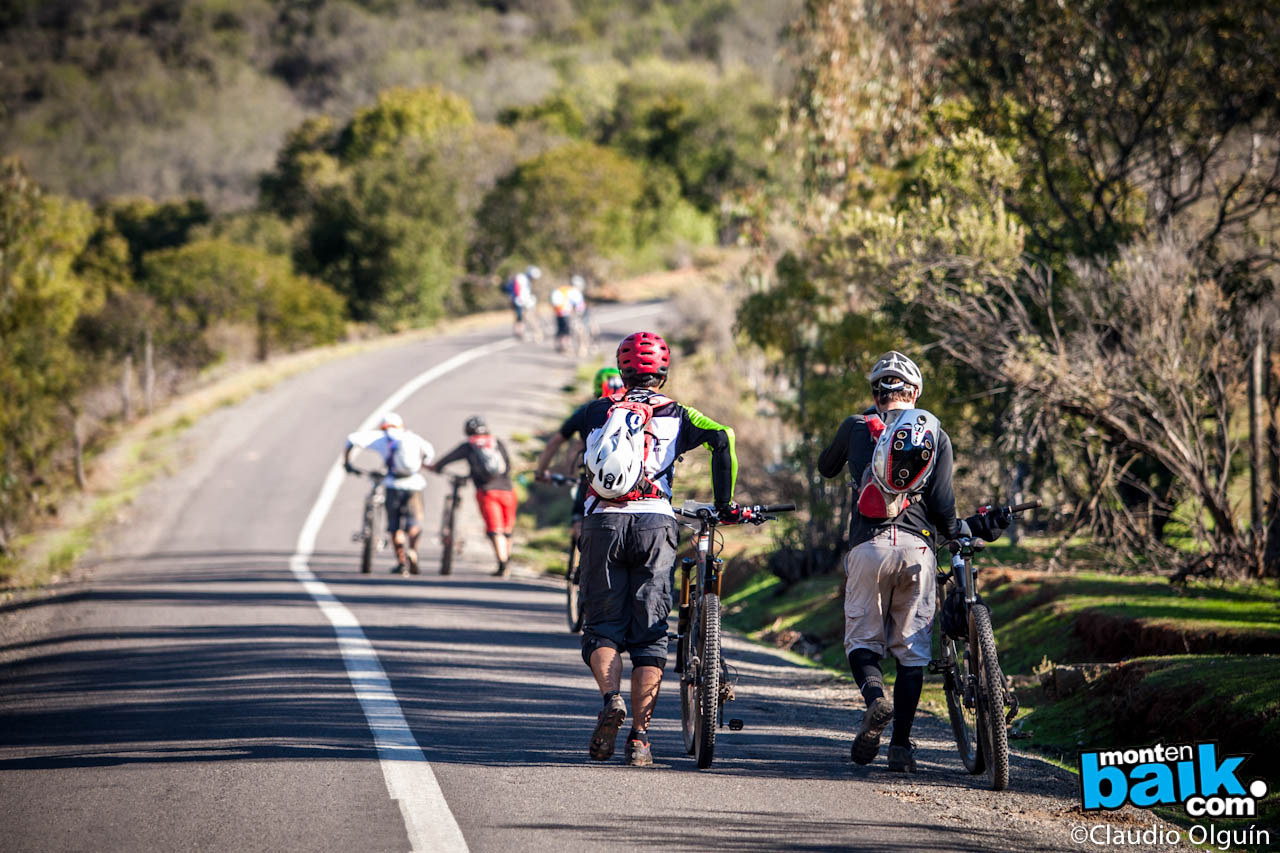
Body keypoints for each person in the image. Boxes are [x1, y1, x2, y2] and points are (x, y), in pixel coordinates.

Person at [818, 351, 1008, 772]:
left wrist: (853, 436)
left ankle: (875, 700)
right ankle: (901, 747)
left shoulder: (855, 426)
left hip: (867, 548)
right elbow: (942, 504)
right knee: (912, 652)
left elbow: (825, 467)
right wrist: (958, 528)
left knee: (862, 642)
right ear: (915, 393)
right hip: (917, 550)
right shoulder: (935, 433)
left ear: (876, 393)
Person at [556, 332, 739, 767]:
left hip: (601, 522)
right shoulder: (679, 412)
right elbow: (724, 437)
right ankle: (640, 740)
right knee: (651, 636)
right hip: (655, 524)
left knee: (601, 629)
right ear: (663, 373)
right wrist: (724, 503)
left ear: (622, 371)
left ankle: (611, 699)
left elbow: (577, 451)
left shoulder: (596, 410)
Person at [534, 366, 626, 539]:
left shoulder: (587, 410)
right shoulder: (635, 409)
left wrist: (541, 471)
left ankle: (582, 550)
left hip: (591, 479)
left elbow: (555, 442)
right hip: (627, 479)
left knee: (580, 519)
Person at [343, 412, 435, 575]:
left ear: (383, 426)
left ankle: (402, 562)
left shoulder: (381, 437)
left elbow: (351, 439)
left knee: (395, 525)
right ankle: (413, 551)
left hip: (393, 485)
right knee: (414, 522)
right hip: (415, 484)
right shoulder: (411, 437)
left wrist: (347, 463)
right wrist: (422, 464)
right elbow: (429, 452)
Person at [431, 416, 517, 577]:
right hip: (508, 491)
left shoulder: (470, 445)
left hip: (487, 492)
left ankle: (502, 563)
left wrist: (435, 467)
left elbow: (446, 460)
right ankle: (507, 560)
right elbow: (508, 466)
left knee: (495, 529)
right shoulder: (497, 442)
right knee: (507, 529)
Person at [501, 265, 541, 339]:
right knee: (520, 317)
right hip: (519, 301)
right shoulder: (522, 278)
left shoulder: (525, 279)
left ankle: (521, 332)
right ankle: (520, 333)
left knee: (522, 316)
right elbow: (518, 290)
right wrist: (521, 299)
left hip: (522, 301)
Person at [549, 276, 585, 352]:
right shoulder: (575, 292)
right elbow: (579, 306)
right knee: (570, 330)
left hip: (558, 312)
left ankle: (561, 346)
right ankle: (570, 347)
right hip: (567, 313)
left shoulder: (563, 289)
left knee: (561, 330)